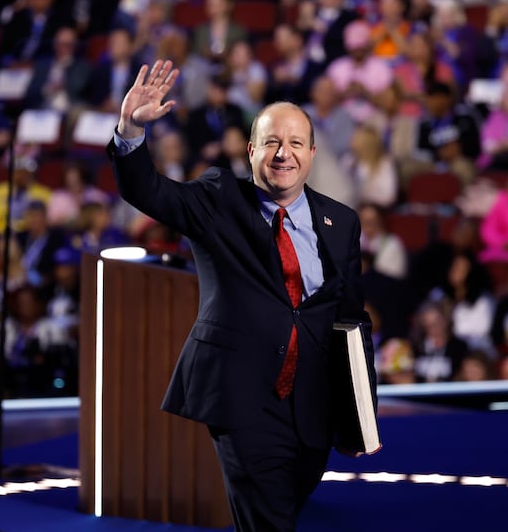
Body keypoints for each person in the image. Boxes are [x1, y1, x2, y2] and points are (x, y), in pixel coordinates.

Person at [109, 60, 376, 531]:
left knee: (276, 514)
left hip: (314, 405)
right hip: (243, 398)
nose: (282, 154)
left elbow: (352, 322)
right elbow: (148, 190)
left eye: (295, 143)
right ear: (251, 151)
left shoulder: (341, 222)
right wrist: (131, 130)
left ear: (312, 153)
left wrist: (361, 414)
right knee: (268, 518)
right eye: (271, 142)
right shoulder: (218, 198)